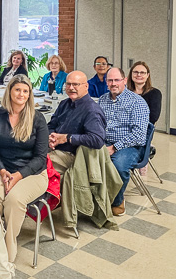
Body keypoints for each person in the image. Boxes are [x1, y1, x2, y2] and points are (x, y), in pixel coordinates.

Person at [0, 74, 49, 265]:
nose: (21, 94)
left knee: (14, 200)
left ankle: (7, 249)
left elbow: (41, 158)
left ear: (29, 94)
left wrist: (18, 176)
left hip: (32, 173)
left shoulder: (38, 119)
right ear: (10, 91)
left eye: (25, 91)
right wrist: (2, 171)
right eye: (17, 90)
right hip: (3, 170)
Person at [98, 68, 149, 216]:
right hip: (105, 142)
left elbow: (139, 135)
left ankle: (117, 200)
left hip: (130, 146)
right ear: (106, 82)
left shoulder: (137, 102)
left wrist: (114, 147)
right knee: (81, 157)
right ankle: (93, 198)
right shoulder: (102, 100)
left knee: (118, 166)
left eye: (116, 80)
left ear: (124, 81)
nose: (113, 84)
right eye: (110, 80)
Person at [47, 71, 107, 174]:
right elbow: (51, 125)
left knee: (36, 164)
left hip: (73, 156)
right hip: (54, 148)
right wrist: (50, 137)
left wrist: (67, 138)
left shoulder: (92, 110)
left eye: (75, 84)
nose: (71, 88)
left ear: (86, 86)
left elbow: (97, 140)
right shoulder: (64, 104)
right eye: (68, 84)